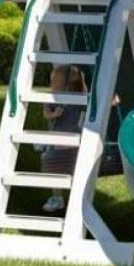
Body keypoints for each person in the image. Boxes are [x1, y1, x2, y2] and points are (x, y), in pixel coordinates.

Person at [40, 64, 87, 214]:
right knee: (53, 168)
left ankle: (77, 198)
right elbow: (46, 114)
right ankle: (57, 198)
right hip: (57, 140)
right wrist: (55, 114)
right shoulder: (52, 98)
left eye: (56, 82)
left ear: (68, 85)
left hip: (74, 141)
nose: (52, 85)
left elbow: (90, 101)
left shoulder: (77, 98)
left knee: (74, 169)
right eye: (52, 81)